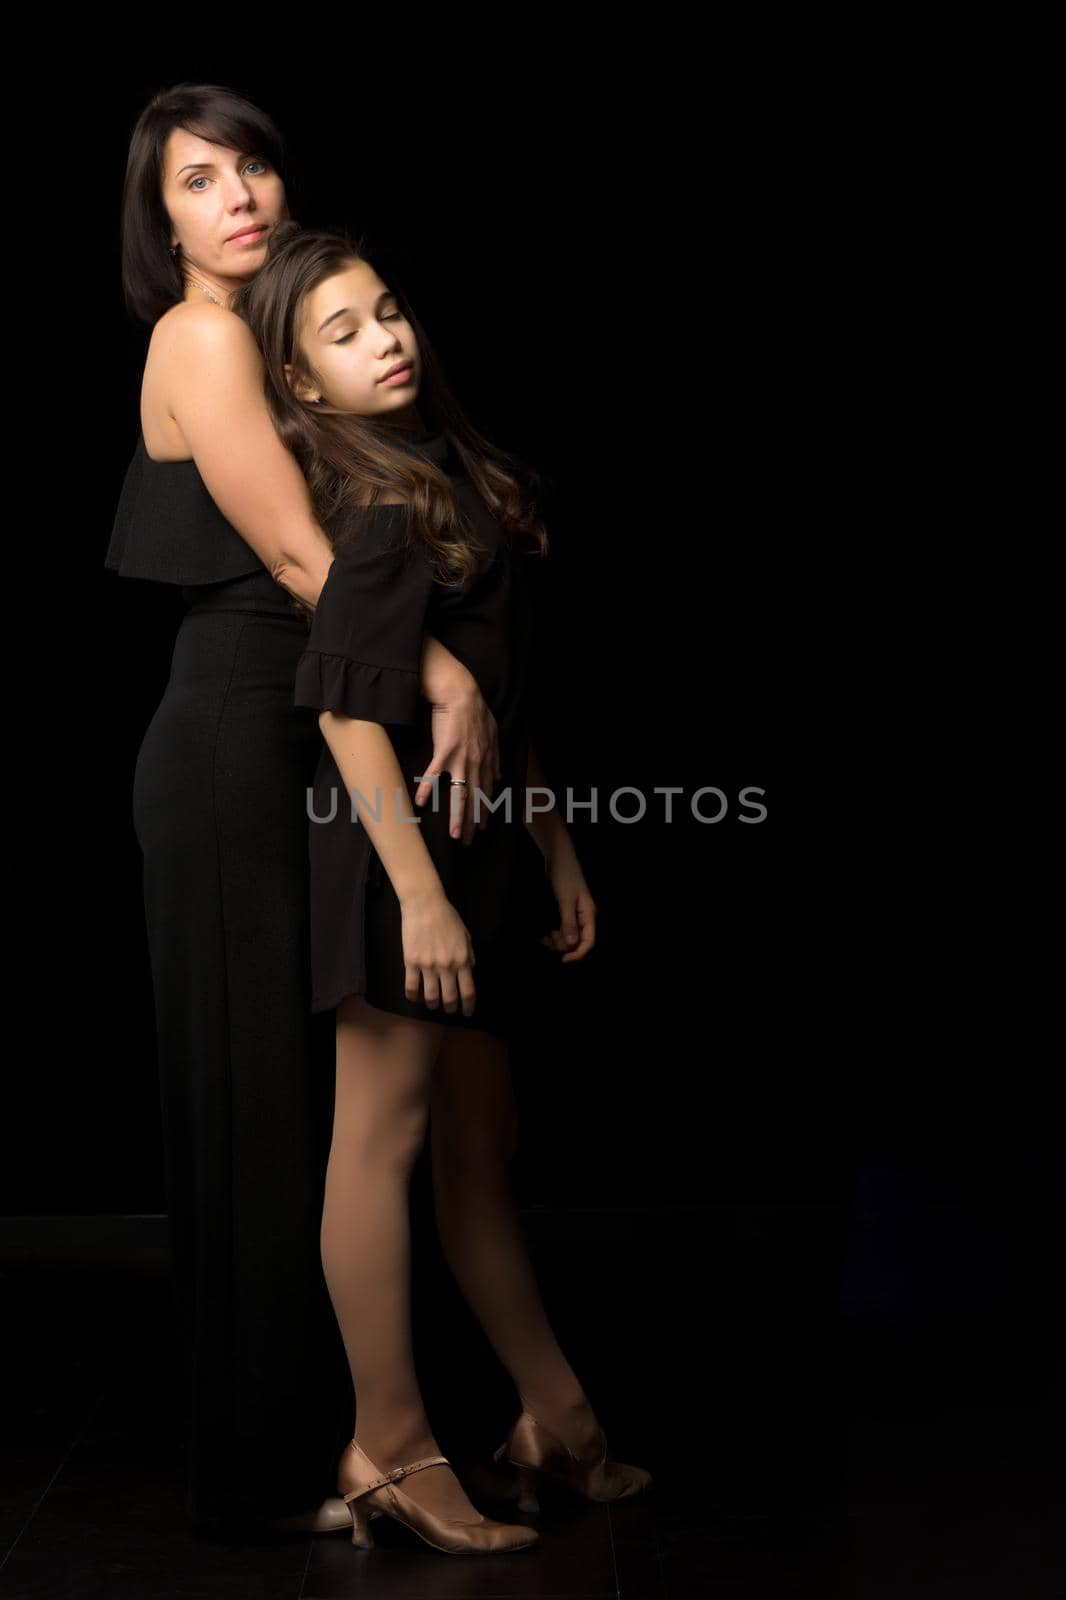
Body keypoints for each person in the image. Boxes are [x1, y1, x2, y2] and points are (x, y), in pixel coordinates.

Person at [106, 83, 503, 1538]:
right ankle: (294, 1456)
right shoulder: (200, 334)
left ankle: (340, 1440)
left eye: (250, 165)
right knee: (257, 1101)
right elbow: (291, 553)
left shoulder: (276, 340)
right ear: (161, 225)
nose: (237, 197)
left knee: (311, 1107)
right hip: (228, 744)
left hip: (298, 730)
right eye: (198, 182)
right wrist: (446, 670)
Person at [232, 221, 653, 1558]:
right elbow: (347, 715)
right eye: (342, 333)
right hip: (394, 866)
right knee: (385, 1144)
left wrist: (555, 844)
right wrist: (416, 898)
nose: (386, 339)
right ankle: (391, 1448)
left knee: (480, 1151)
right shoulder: (372, 502)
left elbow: (502, 694)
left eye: (388, 311)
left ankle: (556, 1424)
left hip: (468, 861)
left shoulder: (445, 470)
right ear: (301, 387)